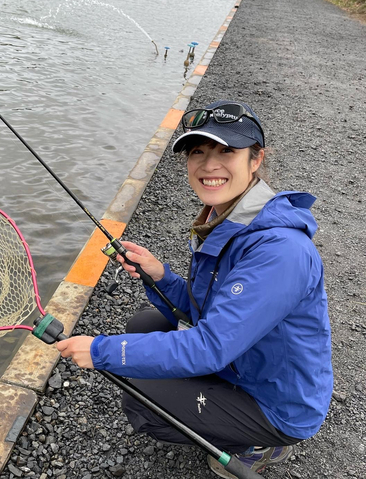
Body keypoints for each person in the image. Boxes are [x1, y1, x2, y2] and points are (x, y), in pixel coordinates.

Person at [57, 100, 333, 478]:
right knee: (143, 325)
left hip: (278, 402)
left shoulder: (280, 250)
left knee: (141, 402)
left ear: (256, 159)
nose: (209, 165)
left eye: (227, 151)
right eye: (198, 152)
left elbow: (210, 346)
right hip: (246, 362)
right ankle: (225, 414)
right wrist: (160, 276)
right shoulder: (226, 218)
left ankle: (262, 444)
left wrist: (99, 350)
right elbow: (209, 309)